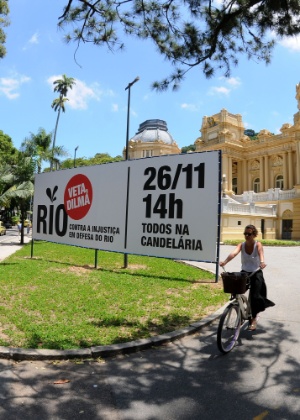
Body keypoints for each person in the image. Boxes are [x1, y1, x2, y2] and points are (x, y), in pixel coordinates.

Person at [220, 224, 275, 331]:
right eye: (245, 234)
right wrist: (225, 262)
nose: (246, 236)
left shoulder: (257, 244)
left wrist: (262, 262)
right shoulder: (241, 245)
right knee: (235, 292)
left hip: (256, 272)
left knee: (255, 296)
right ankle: (240, 313)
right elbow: (234, 253)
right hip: (244, 272)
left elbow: (261, 253)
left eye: (249, 234)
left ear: (254, 235)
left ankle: (253, 318)